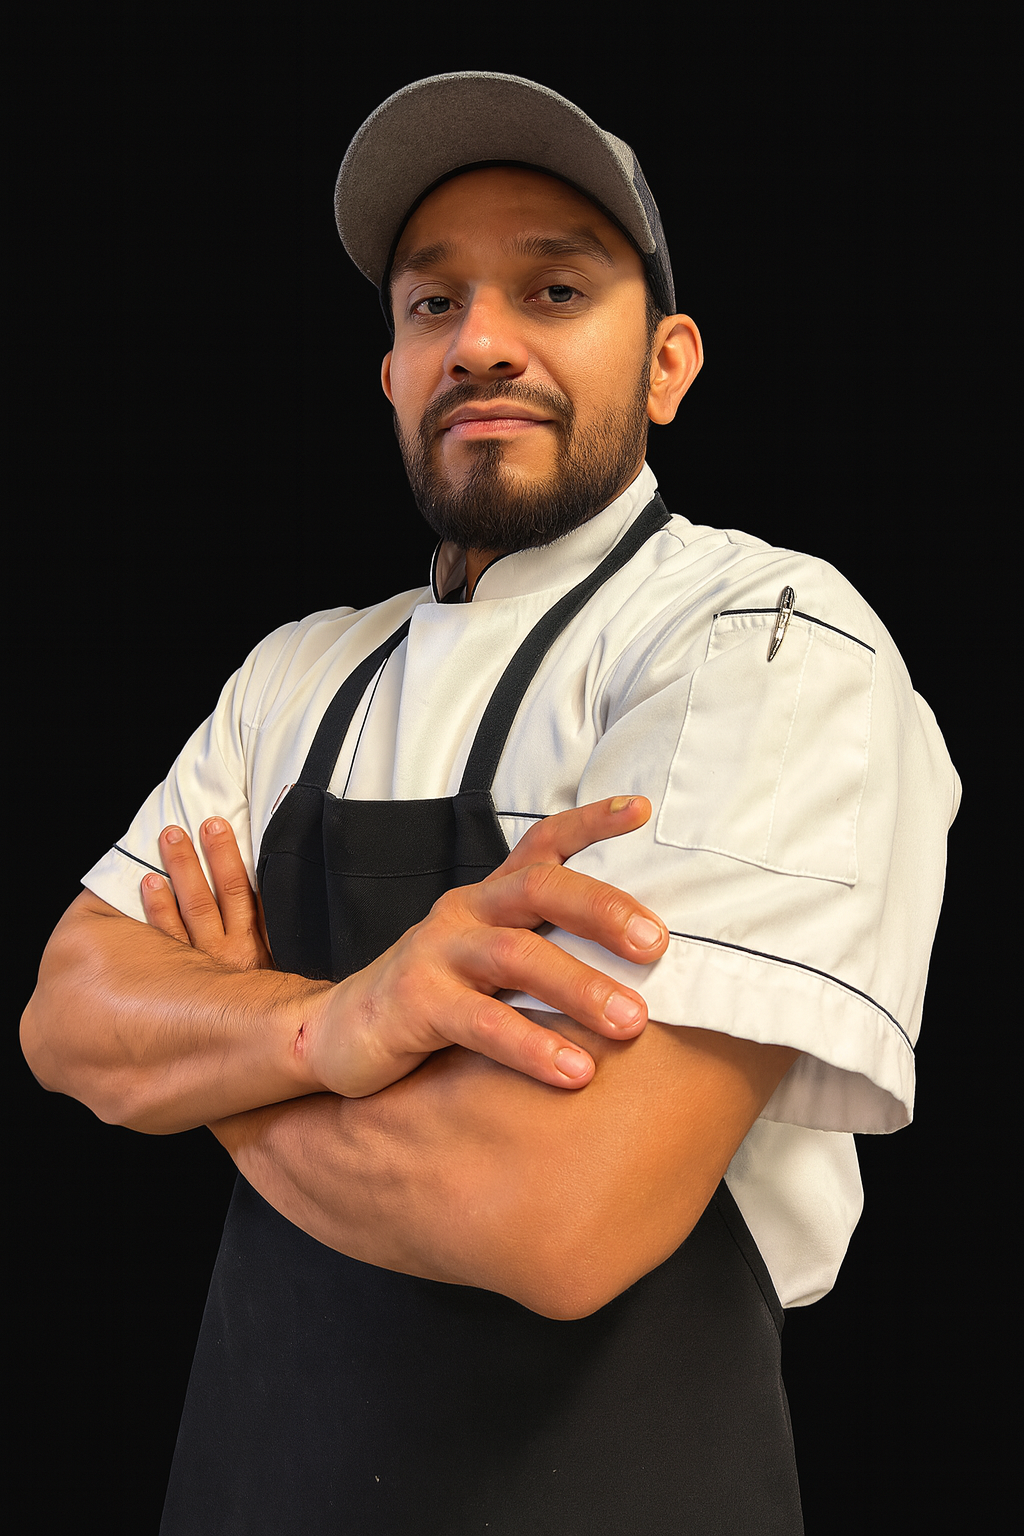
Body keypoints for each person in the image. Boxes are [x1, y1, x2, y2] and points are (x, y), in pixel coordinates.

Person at [20, 71, 960, 1534]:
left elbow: (557, 1210)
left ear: (667, 363)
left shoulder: (764, 640)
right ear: (391, 373)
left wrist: (210, 1060)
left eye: (556, 287)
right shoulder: (296, 673)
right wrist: (334, 1025)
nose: (482, 343)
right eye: (432, 305)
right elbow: (69, 1013)